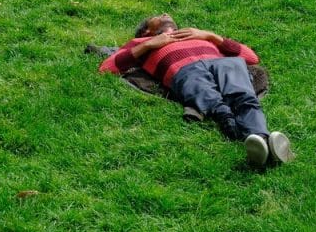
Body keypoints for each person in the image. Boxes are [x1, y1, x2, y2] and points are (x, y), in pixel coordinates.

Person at [99, 13, 294, 167]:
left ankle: (261, 138)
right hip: (184, 71)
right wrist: (149, 45)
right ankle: (253, 143)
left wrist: (209, 36)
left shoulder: (196, 34)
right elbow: (106, 68)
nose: (166, 14)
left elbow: (251, 57)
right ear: (146, 31)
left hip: (224, 63)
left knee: (244, 97)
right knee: (217, 106)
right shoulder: (141, 43)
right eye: (158, 16)